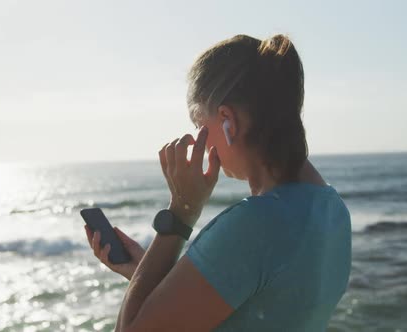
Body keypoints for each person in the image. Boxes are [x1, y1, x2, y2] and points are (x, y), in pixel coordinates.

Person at [84, 34, 352, 331]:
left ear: (227, 120)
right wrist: (145, 273)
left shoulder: (256, 223)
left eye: (200, 126)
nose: (201, 142)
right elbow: (263, 297)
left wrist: (182, 212)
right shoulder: (333, 211)